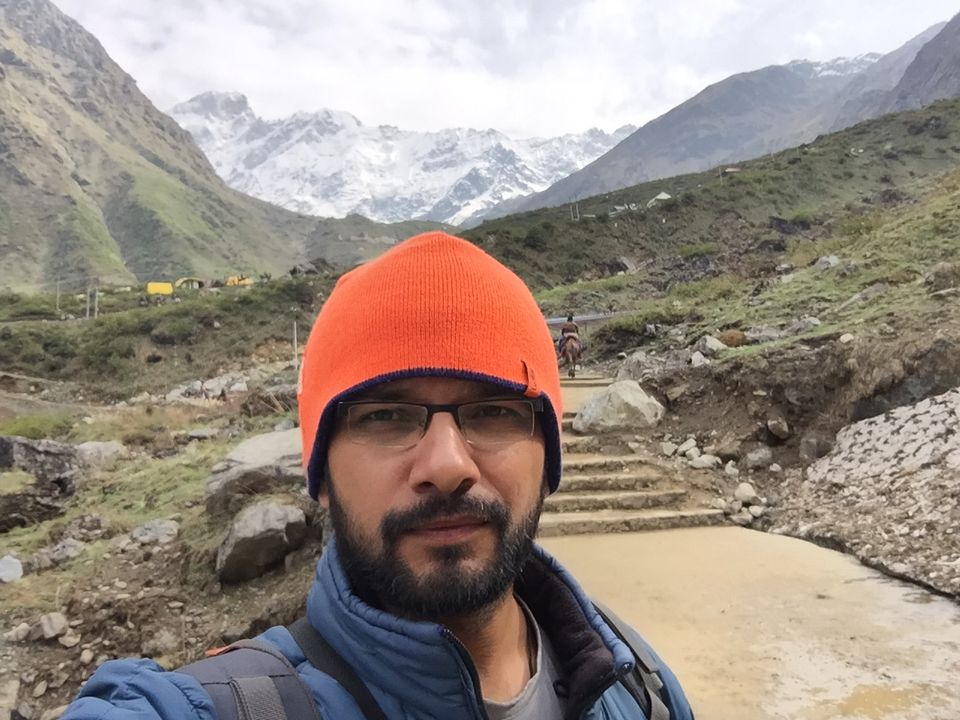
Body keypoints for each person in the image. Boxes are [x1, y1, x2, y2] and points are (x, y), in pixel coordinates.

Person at [61, 232, 693, 720]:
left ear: (547, 459)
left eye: (495, 410)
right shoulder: (221, 705)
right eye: (386, 415)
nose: (446, 466)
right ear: (322, 471)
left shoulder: (639, 683)